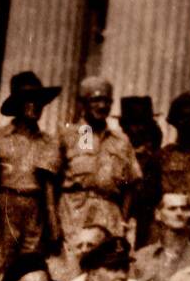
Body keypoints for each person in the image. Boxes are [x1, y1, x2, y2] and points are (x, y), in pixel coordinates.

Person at [57, 77, 141, 264]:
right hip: (73, 212)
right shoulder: (70, 134)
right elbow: (52, 180)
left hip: (108, 214)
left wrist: (123, 222)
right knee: (72, 268)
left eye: (107, 101)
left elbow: (131, 184)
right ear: (83, 103)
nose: (102, 106)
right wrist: (54, 223)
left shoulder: (121, 141)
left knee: (106, 266)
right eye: (95, 100)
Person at [0, 71, 63, 273]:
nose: (35, 106)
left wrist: (52, 222)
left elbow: (49, 187)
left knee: (29, 266)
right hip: (3, 204)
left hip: (35, 207)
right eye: (28, 101)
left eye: (38, 101)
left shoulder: (49, 142)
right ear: (17, 105)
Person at [118, 96, 165, 248]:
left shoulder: (157, 157)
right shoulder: (118, 153)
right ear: (125, 126)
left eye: (142, 124)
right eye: (134, 124)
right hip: (120, 215)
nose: (139, 129)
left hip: (147, 218)